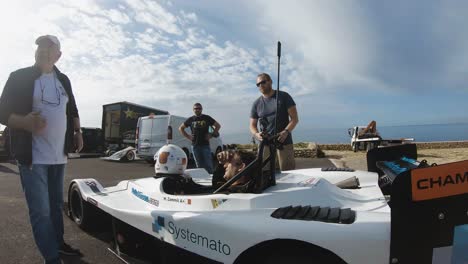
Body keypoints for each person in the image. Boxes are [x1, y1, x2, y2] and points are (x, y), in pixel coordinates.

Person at [0, 35, 83, 264]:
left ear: (58, 55)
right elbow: (2, 111)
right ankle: (51, 257)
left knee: (56, 206)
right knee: (41, 211)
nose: (43, 51)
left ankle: (58, 244)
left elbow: (72, 107)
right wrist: (24, 122)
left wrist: (78, 132)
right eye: (40, 48)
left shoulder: (63, 79)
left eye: (49, 48)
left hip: (59, 156)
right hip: (32, 156)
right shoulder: (19, 77)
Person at [249, 73, 298, 171]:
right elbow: (252, 125)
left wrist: (286, 132)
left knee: (288, 173)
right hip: (265, 144)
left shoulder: (284, 96)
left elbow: (294, 119)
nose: (260, 85)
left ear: (270, 81)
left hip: (283, 143)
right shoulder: (256, 103)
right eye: (258, 84)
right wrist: (256, 134)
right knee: (265, 173)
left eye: (263, 82)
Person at [179, 103, 220, 174]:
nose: (197, 110)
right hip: (195, 146)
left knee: (208, 165)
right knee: (199, 166)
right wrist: (188, 136)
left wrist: (211, 135)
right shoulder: (191, 119)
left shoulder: (206, 118)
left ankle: (211, 182)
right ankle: (202, 182)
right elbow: (181, 128)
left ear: (201, 109)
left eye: (199, 108)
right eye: (196, 108)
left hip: (205, 145)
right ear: (193, 110)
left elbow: (218, 126)